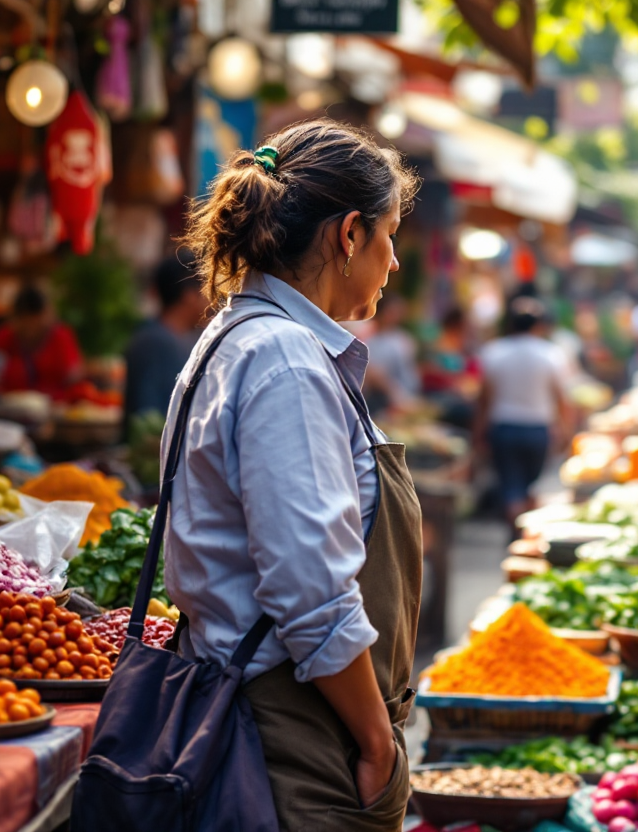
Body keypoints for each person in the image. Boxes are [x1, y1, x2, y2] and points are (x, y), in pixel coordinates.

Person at [159, 119, 420, 831]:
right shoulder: (285, 362)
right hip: (287, 733)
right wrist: (375, 744)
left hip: (265, 710)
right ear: (347, 236)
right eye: (390, 234)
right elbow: (311, 594)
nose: (394, 261)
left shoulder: (238, 336)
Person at [477, 296, 572, 529]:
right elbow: (561, 398)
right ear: (539, 325)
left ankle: (516, 529)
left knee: (510, 484)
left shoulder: (494, 352)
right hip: (537, 429)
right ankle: (523, 531)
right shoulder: (551, 354)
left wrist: (477, 430)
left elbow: (484, 398)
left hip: (504, 428)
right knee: (531, 486)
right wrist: (566, 430)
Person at [122, 250, 208, 435]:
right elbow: (145, 418)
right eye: (207, 289)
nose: (212, 299)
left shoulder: (191, 338)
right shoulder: (153, 341)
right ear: (189, 295)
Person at [0, 285, 83, 398]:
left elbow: (74, 377)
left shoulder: (61, 337)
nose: (31, 327)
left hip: (56, 406)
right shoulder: (3, 338)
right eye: (25, 320)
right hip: (11, 405)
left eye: (37, 320)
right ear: (15, 318)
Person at [363, 293, 420, 413]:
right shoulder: (368, 338)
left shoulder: (403, 338)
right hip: (380, 398)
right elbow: (374, 374)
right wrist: (395, 395)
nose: (395, 316)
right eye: (391, 311)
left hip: (407, 395)